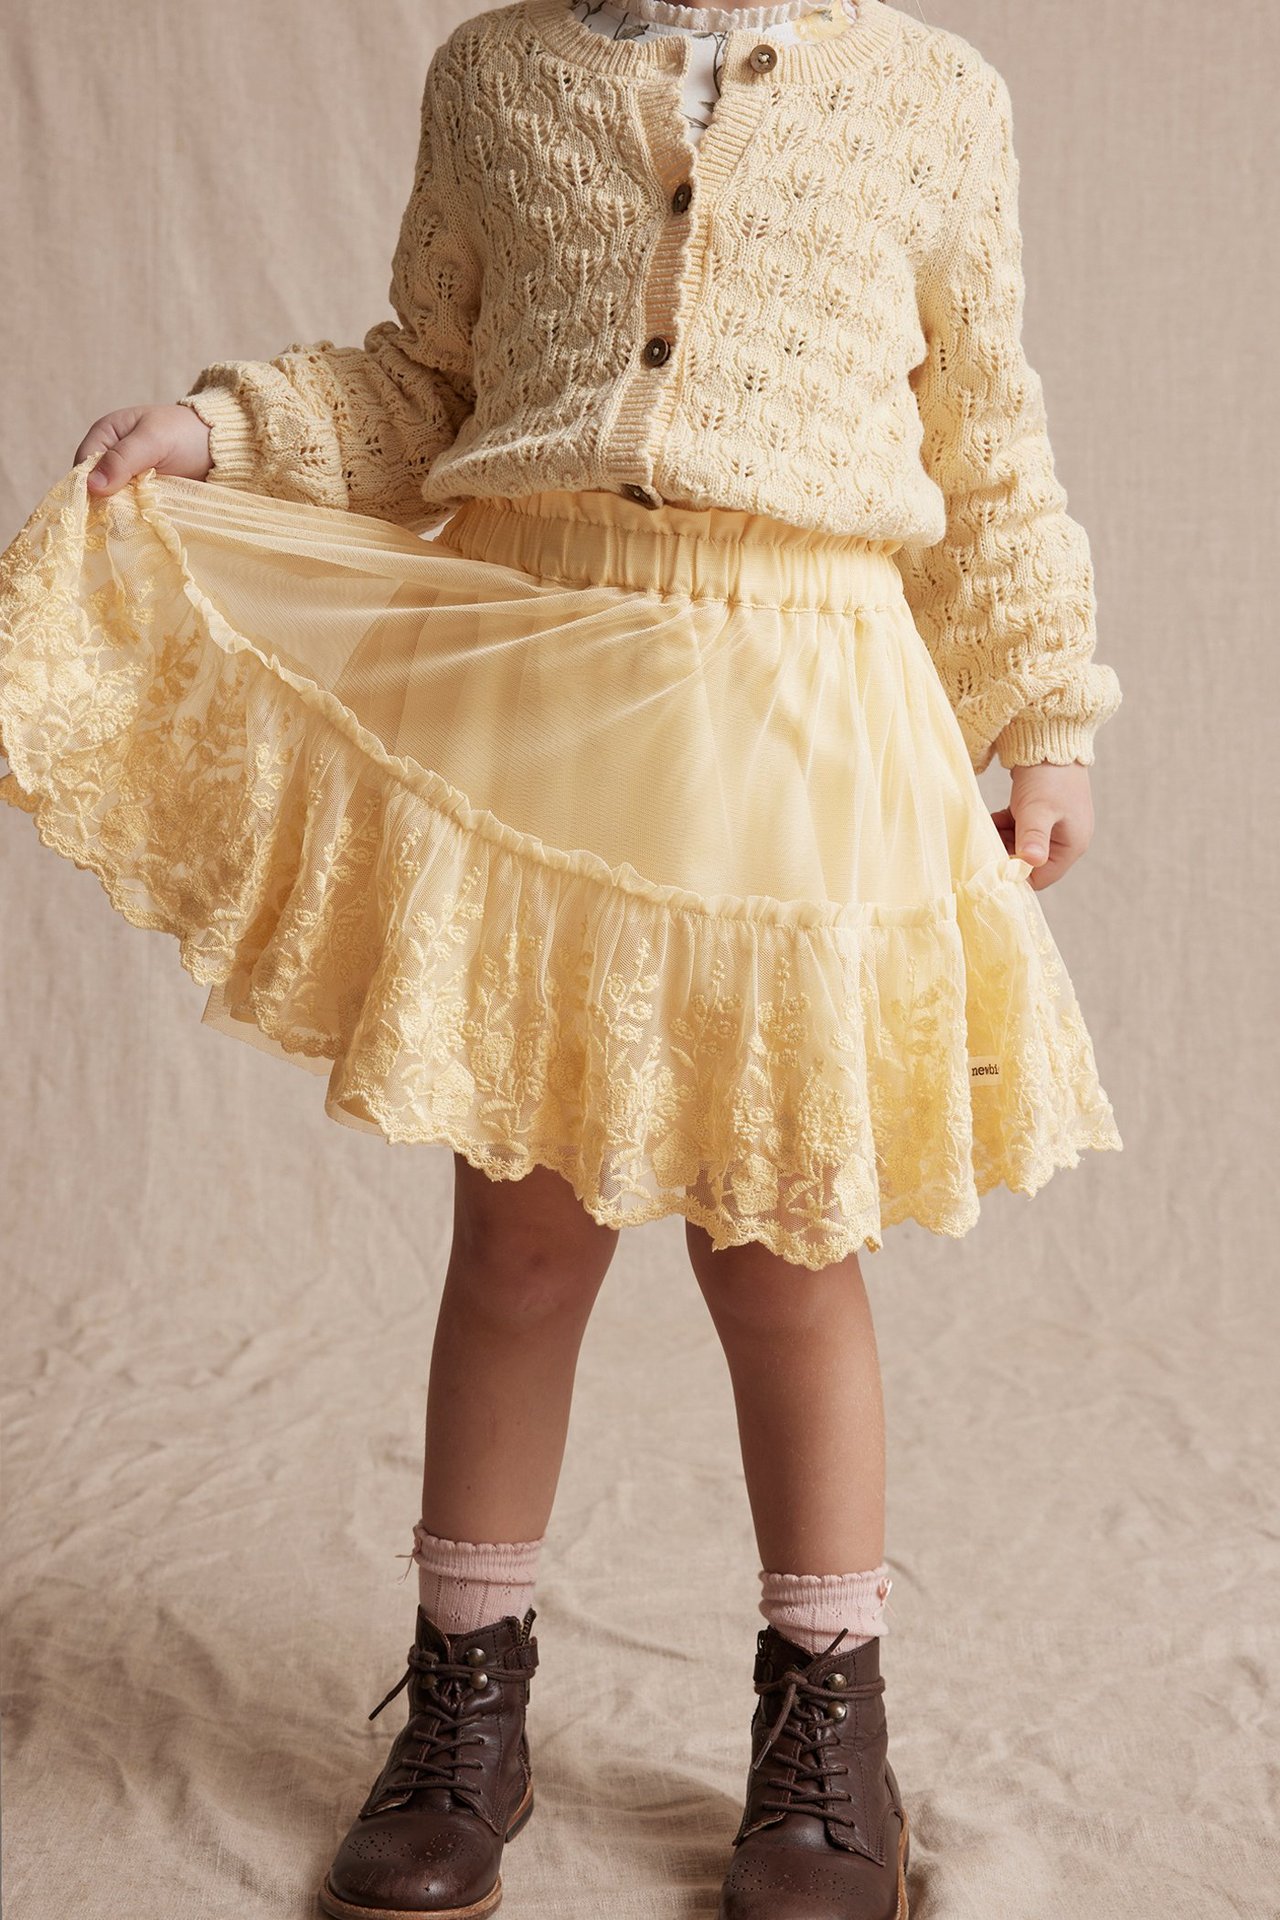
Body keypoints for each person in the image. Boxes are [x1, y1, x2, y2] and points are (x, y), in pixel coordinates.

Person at [0, 1, 1124, 1915]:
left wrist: (1049, 712)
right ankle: (465, 1709)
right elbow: (422, 382)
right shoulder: (497, 73)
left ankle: (828, 1731)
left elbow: (987, 434)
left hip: (802, 707)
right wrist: (223, 429)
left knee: (784, 1244)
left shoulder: (935, 97)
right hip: (547, 688)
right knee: (519, 1239)